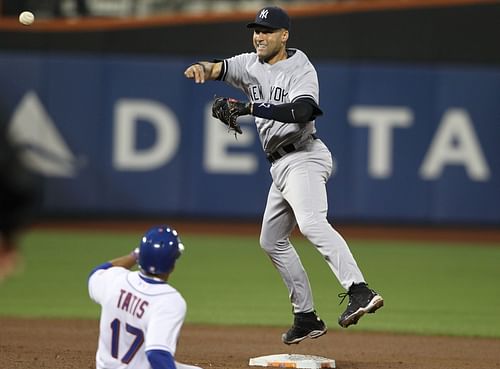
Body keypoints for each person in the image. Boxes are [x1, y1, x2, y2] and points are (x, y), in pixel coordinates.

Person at [183, 6, 384, 345]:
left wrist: (249, 108)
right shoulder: (250, 63)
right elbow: (219, 67)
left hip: (304, 156)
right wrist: (203, 68)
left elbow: (304, 111)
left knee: (311, 224)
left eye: (267, 31)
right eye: (256, 30)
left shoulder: (300, 68)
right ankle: (305, 316)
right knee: (271, 240)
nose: (259, 36)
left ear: (284, 35)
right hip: (280, 167)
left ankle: (359, 290)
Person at [88, 225, 203, 369]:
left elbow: (96, 273)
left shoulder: (114, 279)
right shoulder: (169, 300)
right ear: (172, 265)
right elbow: (157, 355)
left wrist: (134, 256)